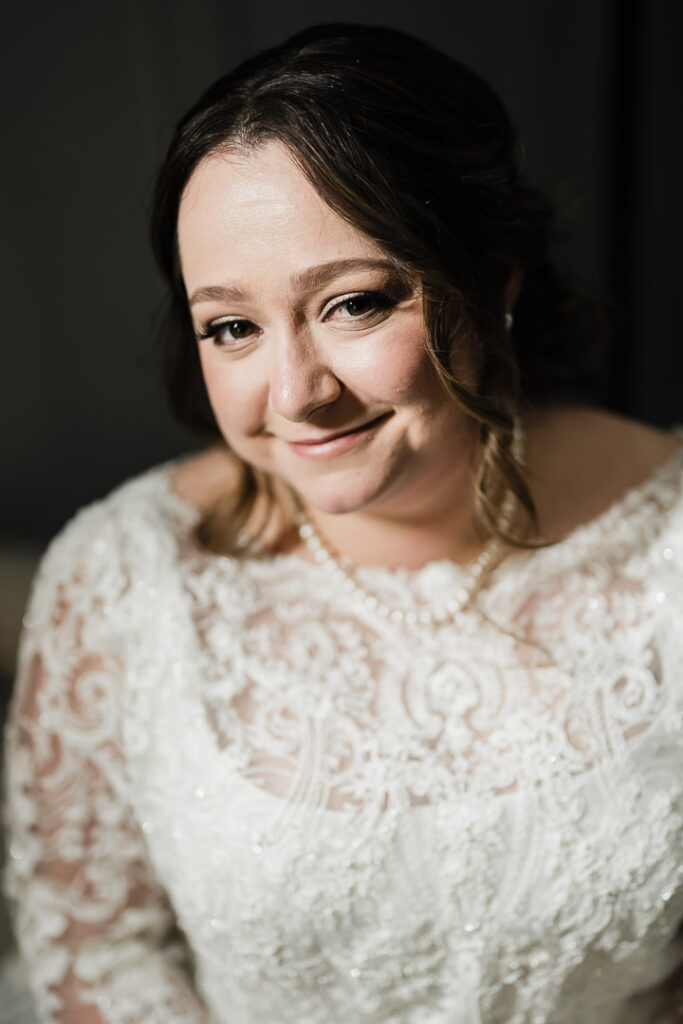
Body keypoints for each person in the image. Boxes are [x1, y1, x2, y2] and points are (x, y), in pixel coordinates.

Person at [4, 21, 683, 1024]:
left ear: (491, 283)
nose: (294, 392)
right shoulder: (121, 574)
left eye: (354, 304)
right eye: (230, 326)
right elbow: (94, 949)